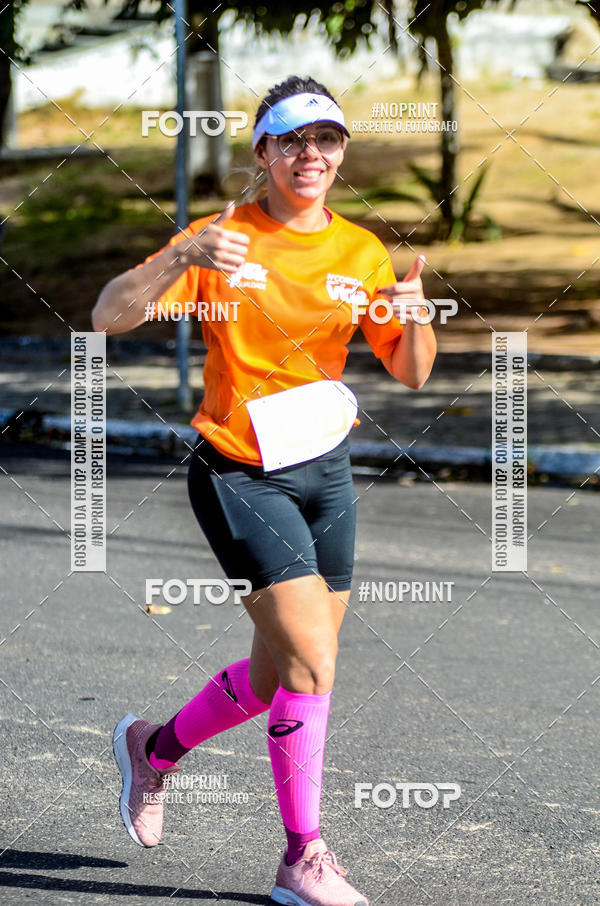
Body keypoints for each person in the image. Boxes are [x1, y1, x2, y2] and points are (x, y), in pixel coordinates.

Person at [92, 74, 436, 906]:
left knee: (275, 669)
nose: (310, 154)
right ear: (264, 152)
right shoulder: (220, 239)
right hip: (239, 472)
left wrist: (418, 314)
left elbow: (412, 372)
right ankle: (301, 858)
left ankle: (154, 747)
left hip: (327, 473)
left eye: (326, 140)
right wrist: (179, 255)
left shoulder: (359, 249)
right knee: (314, 662)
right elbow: (107, 316)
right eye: (292, 140)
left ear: (341, 151)